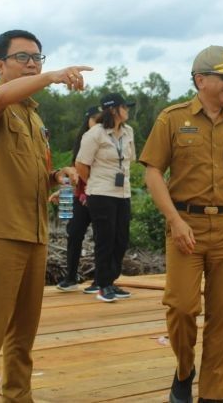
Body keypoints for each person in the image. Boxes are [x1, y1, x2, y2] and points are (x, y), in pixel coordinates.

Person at [140, 45, 223, 403]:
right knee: (182, 307)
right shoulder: (172, 119)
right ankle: (184, 370)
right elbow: (153, 172)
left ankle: (214, 395)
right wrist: (174, 219)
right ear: (201, 80)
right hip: (186, 226)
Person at [0, 29, 91, 402]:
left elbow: (29, 167)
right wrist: (50, 77)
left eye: (38, 58)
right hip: (2, 233)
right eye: (23, 58)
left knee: (22, 336)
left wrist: (57, 176)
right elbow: (0, 98)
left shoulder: (33, 118)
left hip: (35, 233)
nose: (33, 63)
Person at [75, 93, 137, 302]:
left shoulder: (129, 132)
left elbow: (131, 160)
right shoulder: (95, 134)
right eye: (124, 107)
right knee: (105, 239)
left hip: (123, 192)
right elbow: (81, 165)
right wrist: (96, 182)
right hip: (101, 193)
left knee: (121, 239)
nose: (127, 110)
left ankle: (111, 281)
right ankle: (102, 285)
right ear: (113, 110)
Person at [56, 105, 102, 293]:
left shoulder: (106, 139)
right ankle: (71, 277)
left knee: (101, 237)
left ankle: (100, 280)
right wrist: (63, 192)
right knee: (74, 233)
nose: (98, 124)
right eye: (95, 120)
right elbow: (72, 170)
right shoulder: (82, 140)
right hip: (79, 196)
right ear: (88, 120)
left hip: (99, 194)